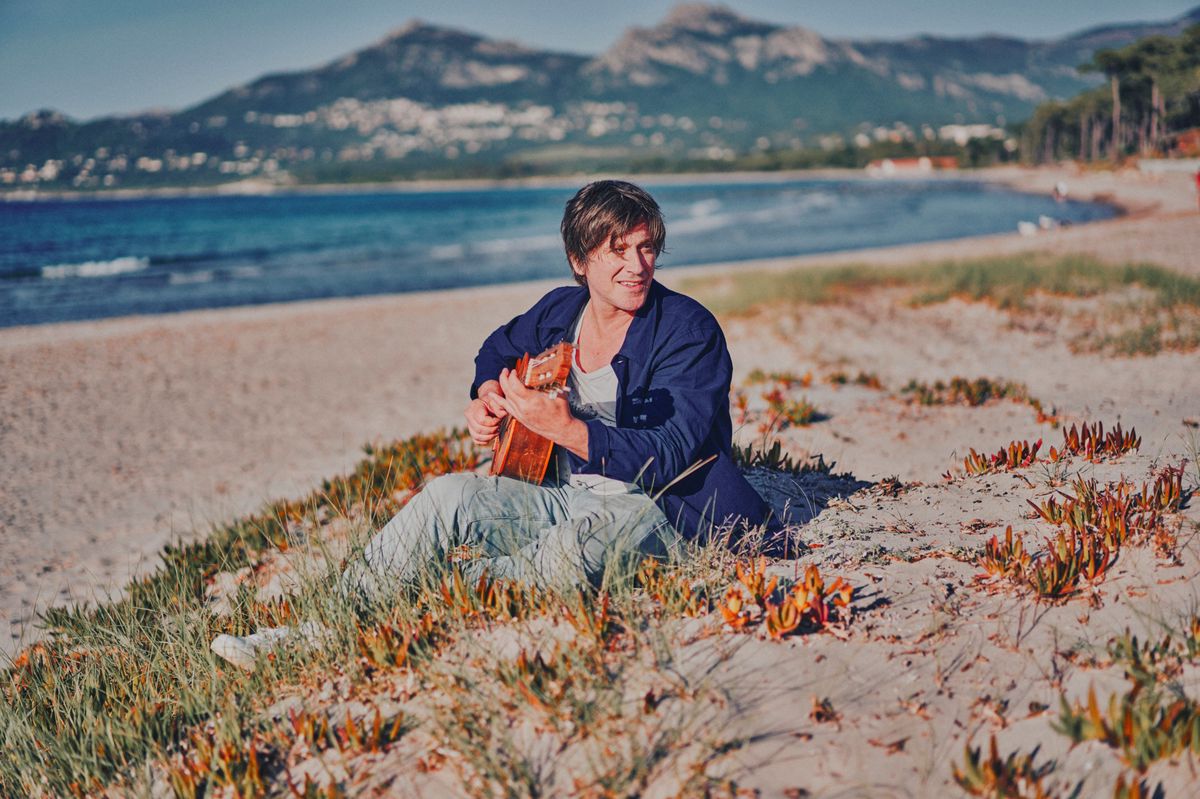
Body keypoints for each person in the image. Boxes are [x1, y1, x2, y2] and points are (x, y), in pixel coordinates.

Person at [212, 180, 769, 669]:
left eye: (647, 248)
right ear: (580, 259)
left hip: (663, 510)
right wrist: (487, 397)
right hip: (565, 494)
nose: (637, 265)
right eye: (616, 250)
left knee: (567, 554)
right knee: (449, 495)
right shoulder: (558, 311)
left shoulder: (688, 330)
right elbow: (495, 350)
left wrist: (569, 429)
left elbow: (671, 453)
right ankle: (321, 628)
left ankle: (427, 606)